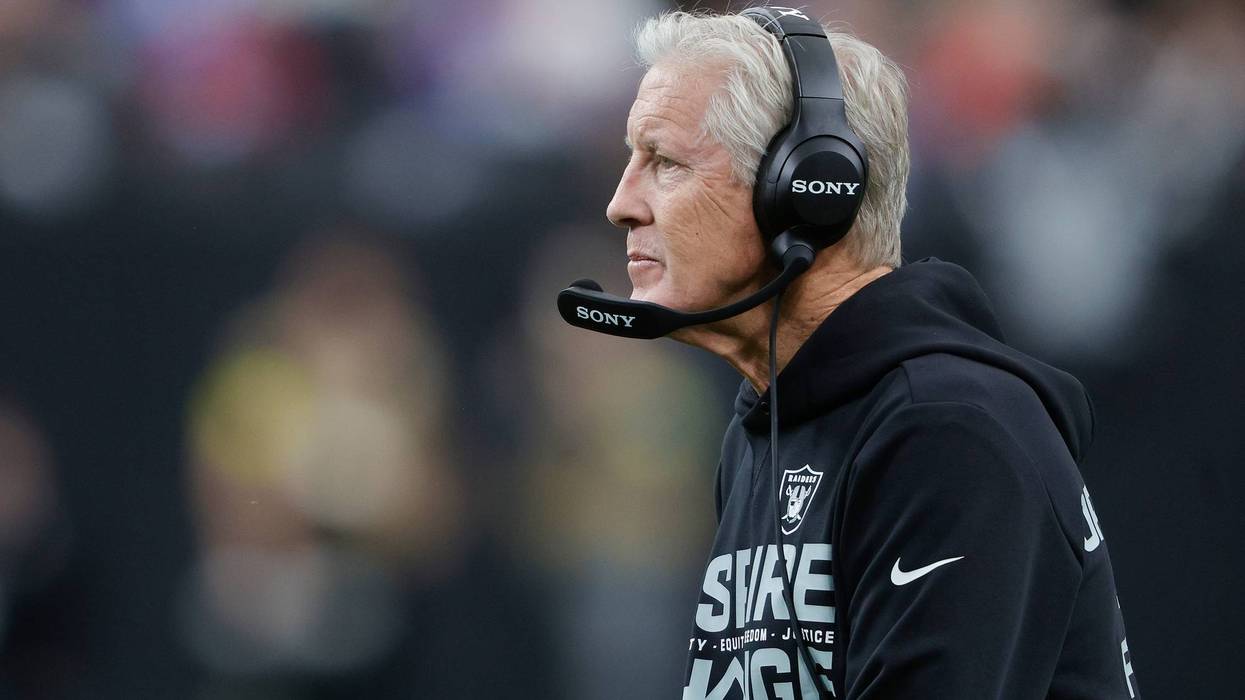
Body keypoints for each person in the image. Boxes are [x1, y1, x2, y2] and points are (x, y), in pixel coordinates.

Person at [594, 8, 1138, 699]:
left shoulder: (950, 429)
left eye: (664, 161)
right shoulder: (769, 422)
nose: (620, 204)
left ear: (807, 192)